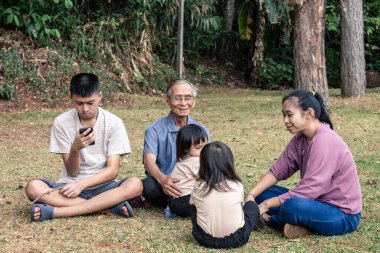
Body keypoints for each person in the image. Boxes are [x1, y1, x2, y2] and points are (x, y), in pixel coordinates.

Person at [26, 73, 143, 221]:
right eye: (79, 103)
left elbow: (112, 171)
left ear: (100, 96)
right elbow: (72, 172)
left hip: (104, 187)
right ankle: (106, 206)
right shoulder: (61, 122)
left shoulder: (114, 122)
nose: (85, 109)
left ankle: (56, 212)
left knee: (135, 185)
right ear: (71, 99)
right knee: (33, 187)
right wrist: (75, 149)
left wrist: (81, 185)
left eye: (90, 102)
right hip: (69, 187)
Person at [246, 89, 362, 239]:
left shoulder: (325, 141)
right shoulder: (300, 139)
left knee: (292, 206)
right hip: (314, 202)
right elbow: (277, 171)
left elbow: (309, 190)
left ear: (309, 113)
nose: (285, 121)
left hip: (343, 215)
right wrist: (251, 195)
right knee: (263, 192)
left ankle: (269, 220)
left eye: (289, 115)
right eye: (284, 115)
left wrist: (265, 206)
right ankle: (300, 224)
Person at [142, 80, 210, 208]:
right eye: (178, 98)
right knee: (148, 186)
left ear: (193, 101)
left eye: (188, 98)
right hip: (163, 183)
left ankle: (175, 203)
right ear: (167, 100)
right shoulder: (154, 130)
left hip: (193, 182)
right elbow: (148, 161)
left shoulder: (202, 129)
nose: (183, 103)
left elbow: (209, 160)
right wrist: (163, 180)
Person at [190, 141, 260, 249]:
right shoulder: (236, 185)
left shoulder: (198, 186)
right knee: (252, 206)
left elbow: (193, 206)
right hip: (237, 239)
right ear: (229, 163)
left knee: (194, 205)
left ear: (203, 163)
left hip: (204, 239)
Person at [164, 124, 208, 218]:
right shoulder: (196, 161)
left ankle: (170, 209)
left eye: (205, 146)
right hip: (185, 201)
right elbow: (207, 179)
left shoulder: (183, 159)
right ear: (185, 149)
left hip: (173, 201)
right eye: (198, 148)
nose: (203, 150)